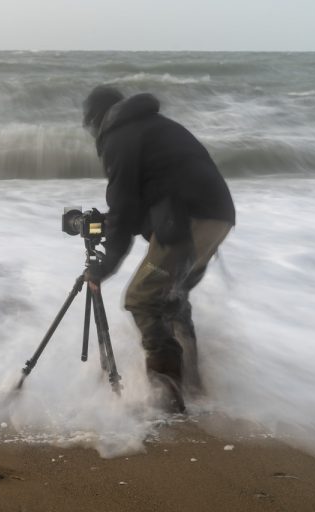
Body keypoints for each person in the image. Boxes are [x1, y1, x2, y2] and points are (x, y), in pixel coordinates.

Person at [82, 86, 235, 413]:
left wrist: (102, 267)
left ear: (96, 118)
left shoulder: (119, 137)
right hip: (216, 216)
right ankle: (194, 386)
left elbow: (124, 206)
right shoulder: (155, 127)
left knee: (143, 297)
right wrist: (114, 224)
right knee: (172, 298)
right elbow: (150, 193)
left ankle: (167, 397)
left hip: (189, 220)